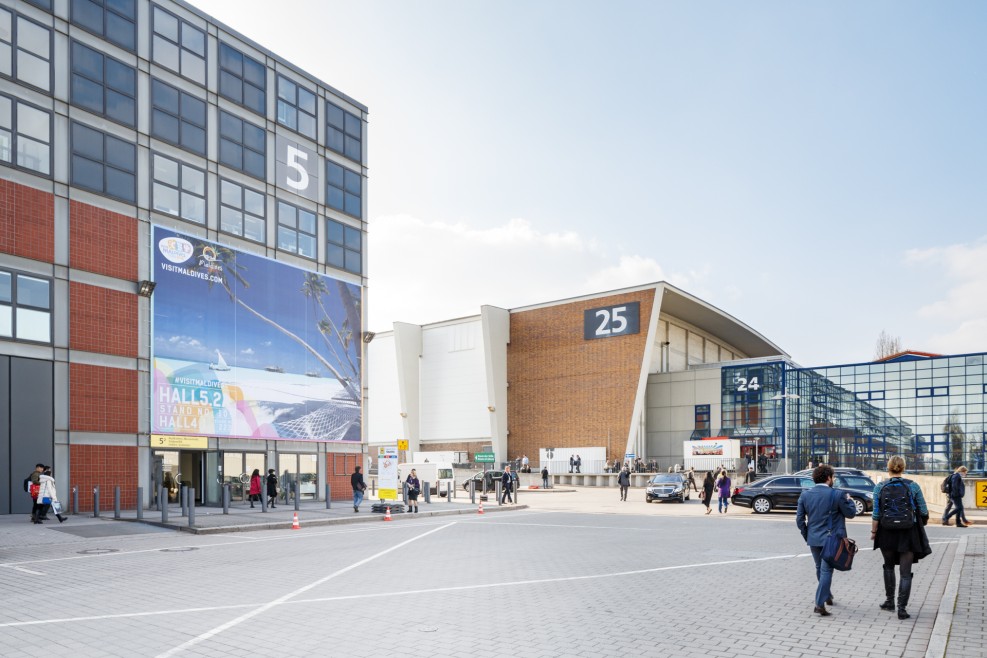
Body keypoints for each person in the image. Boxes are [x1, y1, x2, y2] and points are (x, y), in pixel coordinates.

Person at [872, 456, 931, 619]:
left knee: (888, 566)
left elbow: (876, 514)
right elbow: (924, 510)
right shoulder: (913, 486)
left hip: (886, 531)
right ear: (903, 468)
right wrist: (920, 523)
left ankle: (889, 601)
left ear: (888, 467)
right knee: (905, 573)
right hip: (908, 532)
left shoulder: (880, 486)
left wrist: (873, 532)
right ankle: (902, 609)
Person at [796, 464, 857, 616]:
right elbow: (851, 513)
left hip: (814, 538)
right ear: (829, 478)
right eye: (833, 477)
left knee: (819, 568)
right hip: (832, 540)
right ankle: (819, 603)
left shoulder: (805, 495)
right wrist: (849, 500)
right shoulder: (838, 494)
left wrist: (808, 535)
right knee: (826, 570)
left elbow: (799, 520)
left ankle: (827, 595)